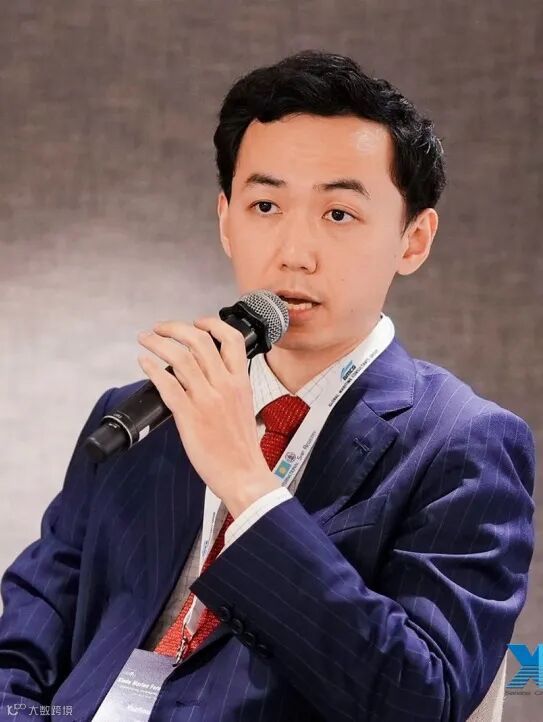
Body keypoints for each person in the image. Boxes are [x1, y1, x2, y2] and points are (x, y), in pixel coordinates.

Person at [0, 50, 535, 722]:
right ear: (226, 220)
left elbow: (420, 697)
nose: (293, 253)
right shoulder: (143, 413)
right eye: (265, 205)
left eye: (337, 214)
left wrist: (246, 484)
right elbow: (25, 638)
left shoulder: (464, 444)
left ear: (413, 240)